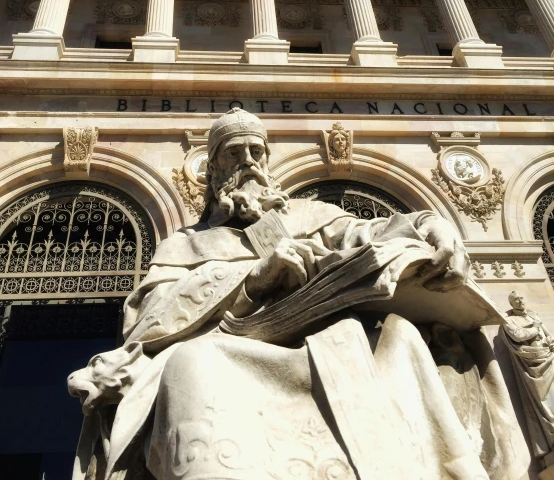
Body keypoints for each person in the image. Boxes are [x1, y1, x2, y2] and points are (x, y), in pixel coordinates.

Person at [68, 109, 529, 480]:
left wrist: (432, 223)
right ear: (213, 172)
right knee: (193, 364)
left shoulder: (312, 214)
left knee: (399, 338)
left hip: (332, 350)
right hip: (231, 350)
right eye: (234, 154)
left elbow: (373, 232)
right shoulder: (185, 243)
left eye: (256, 152)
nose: (248, 162)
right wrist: (252, 282)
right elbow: (147, 323)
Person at [502, 291, 554, 460]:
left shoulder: (533, 316)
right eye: (515, 299)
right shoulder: (508, 320)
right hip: (533, 366)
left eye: (521, 298)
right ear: (511, 303)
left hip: (548, 357)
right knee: (543, 401)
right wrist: (536, 327)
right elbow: (518, 336)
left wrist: (550, 341)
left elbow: (548, 335)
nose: (519, 301)